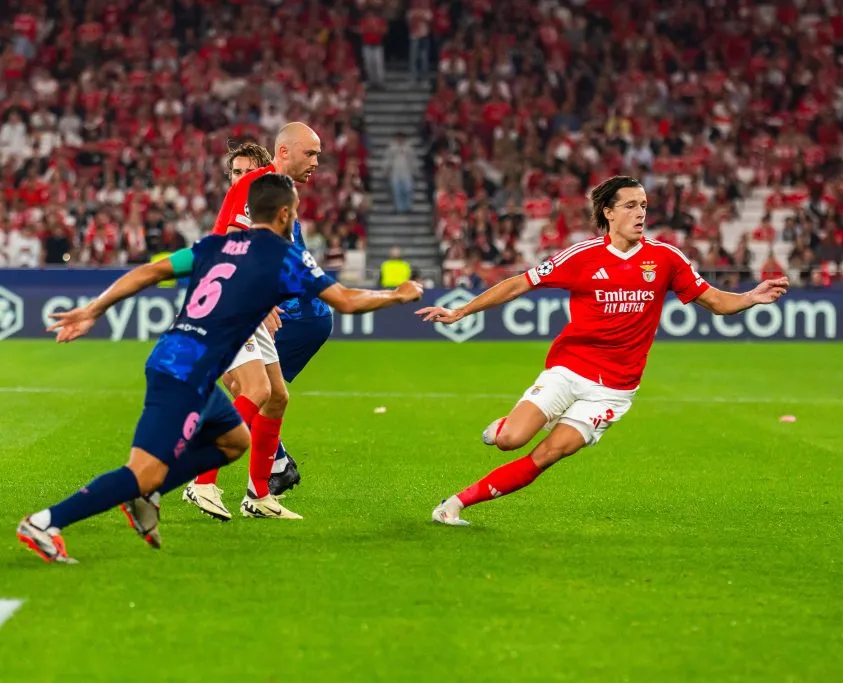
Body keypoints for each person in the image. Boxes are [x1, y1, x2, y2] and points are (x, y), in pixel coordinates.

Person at [16, 173, 423, 563]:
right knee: (141, 470)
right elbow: (347, 300)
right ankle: (47, 521)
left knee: (234, 440)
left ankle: (148, 495)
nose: (296, 217)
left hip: (178, 360)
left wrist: (93, 310)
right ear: (284, 214)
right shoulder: (286, 256)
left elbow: (151, 271)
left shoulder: (215, 245)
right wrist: (398, 294)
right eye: (295, 211)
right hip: (185, 375)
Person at [417, 176, 789, 526]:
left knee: (547, 455)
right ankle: (504, 428)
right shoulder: (582, 256)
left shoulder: (666, 259)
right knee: (509, 441)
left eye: (643, 205)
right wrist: (461, 311)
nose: (640, 212)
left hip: (614, 389)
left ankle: (454, 505)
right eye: (629, 205)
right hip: (570, 367)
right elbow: (519, 284)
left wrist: (749, 298)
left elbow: (715, 302)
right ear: (608, 213)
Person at [182, 124, 322, 521]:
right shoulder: (258, 184)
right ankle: (202, 479)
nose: (316, 162)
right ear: (284, 151)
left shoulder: (282, 191)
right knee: (256, 388)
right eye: (310, 153)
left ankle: (259, 496)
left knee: (277, 396)